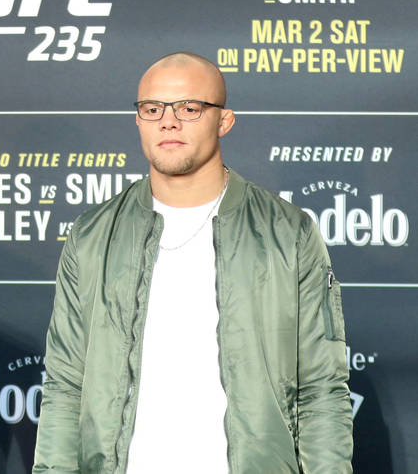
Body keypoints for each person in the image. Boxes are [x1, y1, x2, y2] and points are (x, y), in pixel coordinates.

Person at [32, 52, 353, 473]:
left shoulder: (288, 233)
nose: (169, 121)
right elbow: (65, 386)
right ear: (139, 120)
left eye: (189, 108)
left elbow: (321, 389)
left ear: (224, 121)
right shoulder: (92, 236)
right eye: (152, 109)